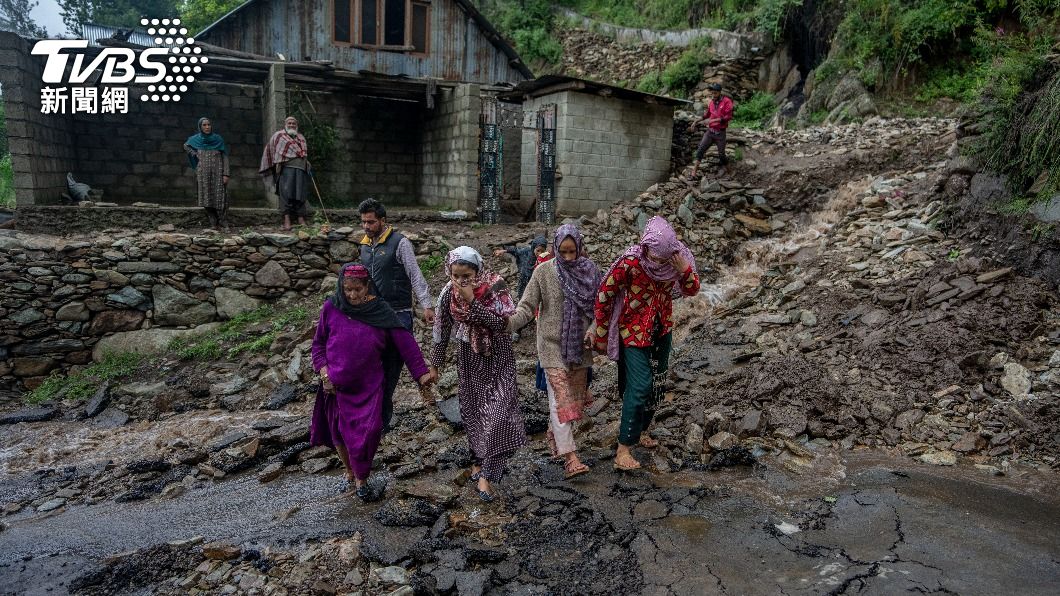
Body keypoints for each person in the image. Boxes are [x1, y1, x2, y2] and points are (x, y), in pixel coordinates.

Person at [310, 263, 436, 501]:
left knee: (368, 432)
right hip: (334, 386)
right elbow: (318, 345)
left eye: (357, 289)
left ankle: (362, 477)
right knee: (339, 432)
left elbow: (405, 343)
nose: (352, 295)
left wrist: (421, 373)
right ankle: (351, 474)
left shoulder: (380, 311)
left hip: (368, 387)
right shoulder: (332, 307)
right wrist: (323, 371)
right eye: (347, 289)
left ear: (367, 286)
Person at [593, 217, 700, 471]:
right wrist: (599, 331)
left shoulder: (677, 259)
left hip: (661, 330)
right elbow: (604, 294)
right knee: (640, 385)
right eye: (657, 259)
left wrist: (684, 269)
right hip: (633, 331)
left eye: (665, 260)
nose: (661, 264)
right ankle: (623, 449)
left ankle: (641, 430)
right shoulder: (630, 262)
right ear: (646, 248)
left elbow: (692, 289)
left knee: (657, 385)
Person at [431, 247, 527, 502]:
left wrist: (473, 300)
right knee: (474, 412)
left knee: (498, 414)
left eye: (468, 275)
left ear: (478, 270)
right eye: (456, 275)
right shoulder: (447, 294)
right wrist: (435, 365)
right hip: (469, 358)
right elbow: (441, 330)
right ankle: (479, 461)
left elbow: (502, 323)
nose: (462, 281)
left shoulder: (496, 288)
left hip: (499, 356)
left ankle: (487, 474)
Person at [509, 224, 600, 479]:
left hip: (580, 348)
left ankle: (555, 435)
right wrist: (506, 324)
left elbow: (599, 310)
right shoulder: (543, 272)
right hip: (550, 347)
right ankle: (570, 457)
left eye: (573, 252)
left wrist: (592, 330)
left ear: (580, 248)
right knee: (560, 400)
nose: (569, 257)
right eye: (563, 252)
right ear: (555, 249)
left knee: (575, 400)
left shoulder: (590, 272)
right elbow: (526, 307)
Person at [358, 198, 435, 431]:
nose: (366, 227)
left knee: (391, 370)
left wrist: (427, 305)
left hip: (398, 314)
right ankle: (371, 419)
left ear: (383, 221)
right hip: (371, 317)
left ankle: (381, 422)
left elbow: (415, 274)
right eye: (363, 222)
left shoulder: (400, 243)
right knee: (371, 370)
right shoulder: (363, 246)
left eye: (371, 222)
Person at [260, 116, 310, 230]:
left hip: (301, 170)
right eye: (289, 123)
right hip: (286, 169)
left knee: (300, 193)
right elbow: (271, 149)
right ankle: (286, 220)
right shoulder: (279, 136)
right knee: (285, 193)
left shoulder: (301, 137)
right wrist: (276, 161)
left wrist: (306, 162)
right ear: (285, 124)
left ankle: (301, 218)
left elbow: (303, 154)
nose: (291, 125)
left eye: (293, 123)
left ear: (296, 125)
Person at [183, 117, 230, 230]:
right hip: (203, 173)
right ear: (200, 127)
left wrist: (226, 174)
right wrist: (194, 154)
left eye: (209, 124)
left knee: (220, 197)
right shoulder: (196, 139)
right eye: (204, 125)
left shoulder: (218, 139)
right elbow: (186, 145)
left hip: (218, 172)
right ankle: (213, 221)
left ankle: (223, 221)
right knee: (206, 196)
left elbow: (225, 157)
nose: (207, 127)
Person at [690, 83, 734, 178]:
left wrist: (713, 120)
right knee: (701, 149)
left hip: (720, 133)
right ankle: (693, 172)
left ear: (719, 92)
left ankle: (730, 172)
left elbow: (728, 117)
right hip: (710, 132)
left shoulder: (727, 102)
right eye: (712, 93)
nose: (713, 95)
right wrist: (696, 121)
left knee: (721, 155)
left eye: (715, 93)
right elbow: (706, 115)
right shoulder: (711, 103)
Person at [493, 236, 548, 301]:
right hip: (524, 279)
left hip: (535, 282)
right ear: (533, 247)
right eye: (538, 250)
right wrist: (503, 251)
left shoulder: (545, 258)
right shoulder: (527, 252)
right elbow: (516, 250)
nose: (539, 254)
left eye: (542, 251)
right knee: (522, 296)